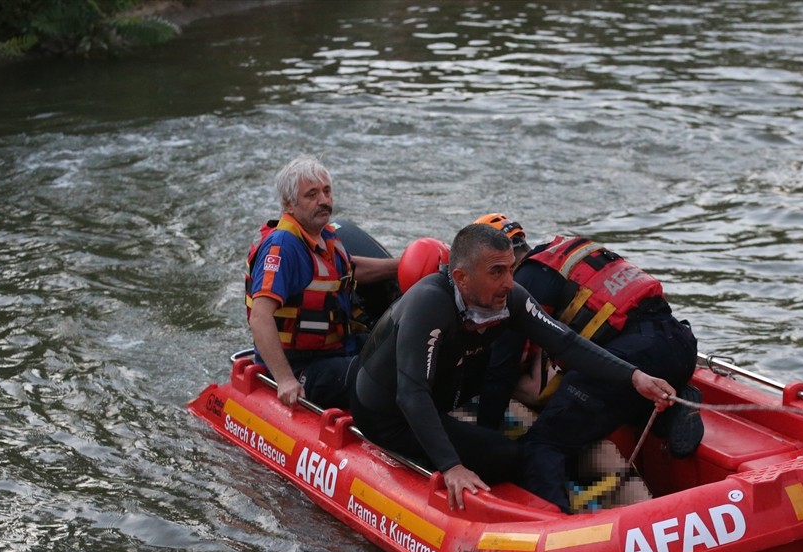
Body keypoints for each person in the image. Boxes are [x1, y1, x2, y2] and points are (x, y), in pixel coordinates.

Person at [349, 223, 678, 511]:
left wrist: (634, 376)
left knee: (497, 370)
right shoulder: (429, 304)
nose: (509, 282)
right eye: (497, 272)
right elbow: (411, 393)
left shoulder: (509, 298)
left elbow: (565, 342)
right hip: (389, 416)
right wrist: (451, 466)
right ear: (461, 277)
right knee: (507, 456)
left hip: (442, 394)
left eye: (510, 268)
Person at [473, 214, 703, 512]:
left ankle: (556, 521)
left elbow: (502, 368)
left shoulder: (525, 281)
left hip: (635, 355)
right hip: (680, 343)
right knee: (605, 396)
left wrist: (484, 436)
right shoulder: (564, 252)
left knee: (542, 444)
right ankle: (665, 407)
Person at [245, 155, 399, 410]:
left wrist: (402, 266)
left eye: (327, 191)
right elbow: (260, 317)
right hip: (302, 364)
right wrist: (285, 380)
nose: (324, 200)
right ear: (289, 204)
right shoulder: (282, 247)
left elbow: (350, 271)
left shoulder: (324, 236)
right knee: (384, 377)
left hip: (337, 348)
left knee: (406, 352)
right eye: (312, 194)